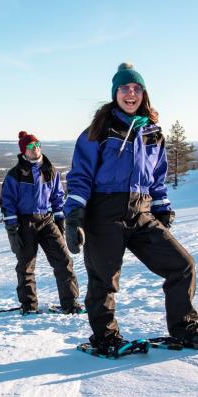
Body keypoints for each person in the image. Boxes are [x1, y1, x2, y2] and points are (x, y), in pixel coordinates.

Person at [64, 63, 198, 354]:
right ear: (115, 93)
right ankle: (106, 336)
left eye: (137, 88)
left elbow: (157, 178)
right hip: (104, 213)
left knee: (182, 265)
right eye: (125, 88)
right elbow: (80, 176)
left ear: (144, 94)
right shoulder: (99, 130)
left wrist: (162, 209)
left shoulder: (152, 133)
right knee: (104, 280)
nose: (131, 93)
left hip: (141, 213)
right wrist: (73, 217)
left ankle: (185, 327)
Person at [0, 131, 82, 315]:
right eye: (30, 146)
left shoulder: (50, 170)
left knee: (64, 260)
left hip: (46, 221)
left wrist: (61, 221)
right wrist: (12, 229)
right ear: (23, 151)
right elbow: (7, 201)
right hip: (24, 223)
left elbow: (57, 198)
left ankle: (71, 303)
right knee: (26, 265)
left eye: (37, 145)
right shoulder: (15, 174)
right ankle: (29, 305)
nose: (35, 148)